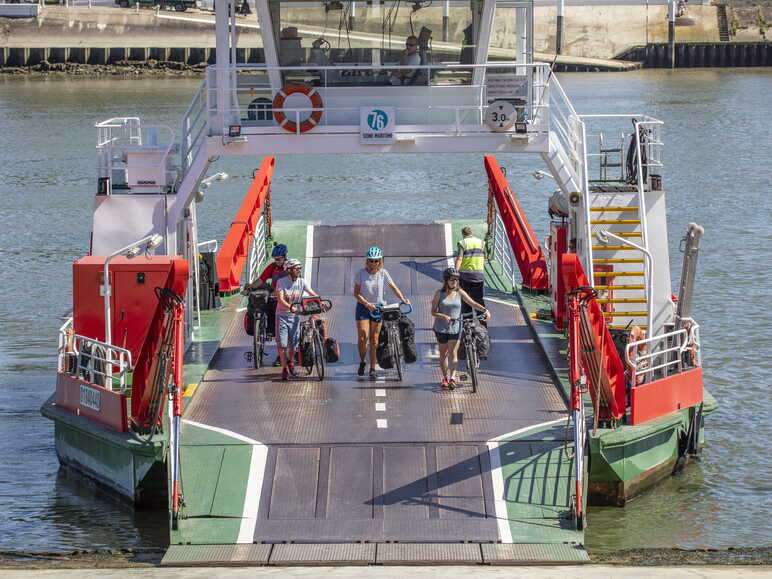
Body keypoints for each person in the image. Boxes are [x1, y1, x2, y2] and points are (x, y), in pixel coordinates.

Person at [353, 246, 411, 380]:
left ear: (380, 261)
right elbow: (356, 293)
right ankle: (362, 361)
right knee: (363, 337)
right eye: (371, 261)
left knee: (374, 340)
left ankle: (372, 368)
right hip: (363, 307)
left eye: (376, 261)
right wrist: (367, 304)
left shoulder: (383, 273)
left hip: (378, 307)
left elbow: (393, 287)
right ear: (367, 261)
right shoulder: (360, 273)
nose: (374, 263)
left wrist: (403, 299)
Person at [431, 267, 490, 389]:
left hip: (456, 327)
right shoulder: (439, 294)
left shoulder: (460, 293)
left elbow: (473, 303)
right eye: (452, 280)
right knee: (443, 354)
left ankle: (452, 378)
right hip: (441, 328)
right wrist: (443, 316)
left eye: (456, 280)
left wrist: (485, 310)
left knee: (453, 353)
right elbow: (433, 312)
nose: (454, 282)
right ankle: (445, 378)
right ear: (446, 280)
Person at [241, 244, 289, 365]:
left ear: (284, 257)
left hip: (287, 297)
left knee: (283, 326)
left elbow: (297, 282)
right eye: (275, 259)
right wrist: (249, 288)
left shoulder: (290, 267)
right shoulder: (272, 267)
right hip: (274, 295)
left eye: (278, 259)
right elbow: (261, 280)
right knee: (265, 306)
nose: (276, 261)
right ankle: (263, 329)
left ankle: (282, 356)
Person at [274, 258, 319, 381]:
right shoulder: (281, 282)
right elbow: (281, 300)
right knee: (282, 345)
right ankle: (284, 368)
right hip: (282, 317)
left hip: (295, 317)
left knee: (293, 345)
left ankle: (290, 361)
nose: (299, 270)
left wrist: (319, 302)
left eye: (300, 268)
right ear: (289, 270)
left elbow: (311, 293)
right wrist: (291, 308)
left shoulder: (302, 282)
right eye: (296, 268)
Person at [454, 226, 486, 321]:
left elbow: (460, 258)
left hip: (465, 276)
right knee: (478, 299)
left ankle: (468, 323)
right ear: (472, 233)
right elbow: (485, 257)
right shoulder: (481, 243)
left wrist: (455, 273)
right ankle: (483, 321)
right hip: (479, 276)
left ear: (463, 234)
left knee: (465, 299)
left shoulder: (463, 243)